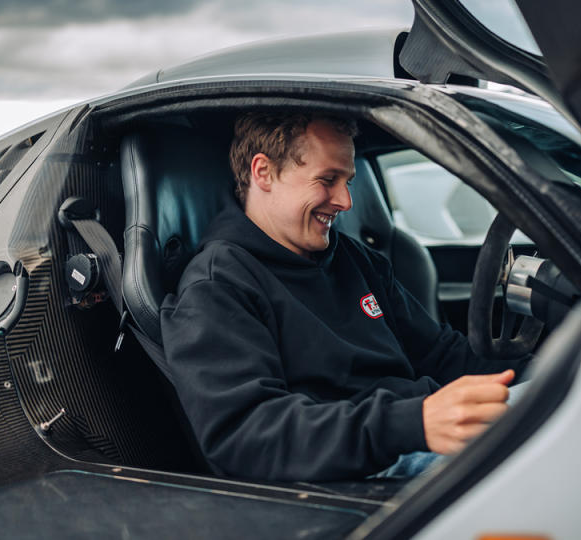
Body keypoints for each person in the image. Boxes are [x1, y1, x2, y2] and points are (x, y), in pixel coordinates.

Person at [160, 111, 529, 482]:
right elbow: (247, 435)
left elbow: (439, 353)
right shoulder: (216, 287)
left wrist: (543, 370)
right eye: (327, 180)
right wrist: (412, 422)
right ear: (263, 173)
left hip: (417, 431)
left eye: (347, 181)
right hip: (368, 469)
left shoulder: (355, 259)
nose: (345, 201)